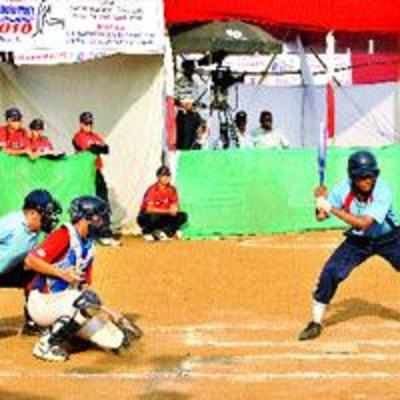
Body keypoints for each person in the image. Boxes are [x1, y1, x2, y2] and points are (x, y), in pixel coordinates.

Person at [299, 150, 400, 340]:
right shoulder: (342, 190)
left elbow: (363, 222)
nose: (369, 180)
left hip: (390, 238)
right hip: (359, 241)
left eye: (372, 174)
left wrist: (330, 207)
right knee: (331, 272)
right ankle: (315, 322)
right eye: (363, 176)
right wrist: (319, 202)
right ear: (353, 177)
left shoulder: (382, 190)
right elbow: (321, 216)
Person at [25, 196, 141, 362]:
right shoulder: (64, 235)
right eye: (98, 217)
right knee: (85, 301)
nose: (102, 222)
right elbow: (30, 261)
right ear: (84, 218)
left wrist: (113, 314)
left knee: (117, 341)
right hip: (42, 303)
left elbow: (82, 288)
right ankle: (46, 345)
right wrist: (61, 273)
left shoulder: (88, 246)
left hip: (65, 304)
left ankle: (67, 333)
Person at [0, 189, 61, 334]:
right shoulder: (11, 224)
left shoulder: (37, 230)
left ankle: (33, 322)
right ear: (32, 213)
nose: (49, 218)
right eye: (46, 214)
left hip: (5, 271)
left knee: (38, 273)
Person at [72, 112, 120, 247]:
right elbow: (91, 148)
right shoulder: (78, 136)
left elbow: (106, 148)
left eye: (90, 123)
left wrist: (97, 148)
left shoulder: (94, 136)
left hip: (97, 172)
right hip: (85, 174)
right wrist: (97, 148)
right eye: (86, 123)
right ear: (81, 124)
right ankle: (87, 233)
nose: (89, 126)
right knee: (86, 204)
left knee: (102, 202)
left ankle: (105, 233)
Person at [137, 166, 188, 241]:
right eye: (163, 175)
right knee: (154, 216)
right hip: (147, 216)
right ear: (158, 177)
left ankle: (163, 232)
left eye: (168, 175)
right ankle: (147, 232)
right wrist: (168, 211)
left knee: (182, 216)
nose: (166, 177)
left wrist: (175, 208)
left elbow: (175, 204)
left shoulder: (172, 189)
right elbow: (149, 209)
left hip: (164, 215)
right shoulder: (153, 189)